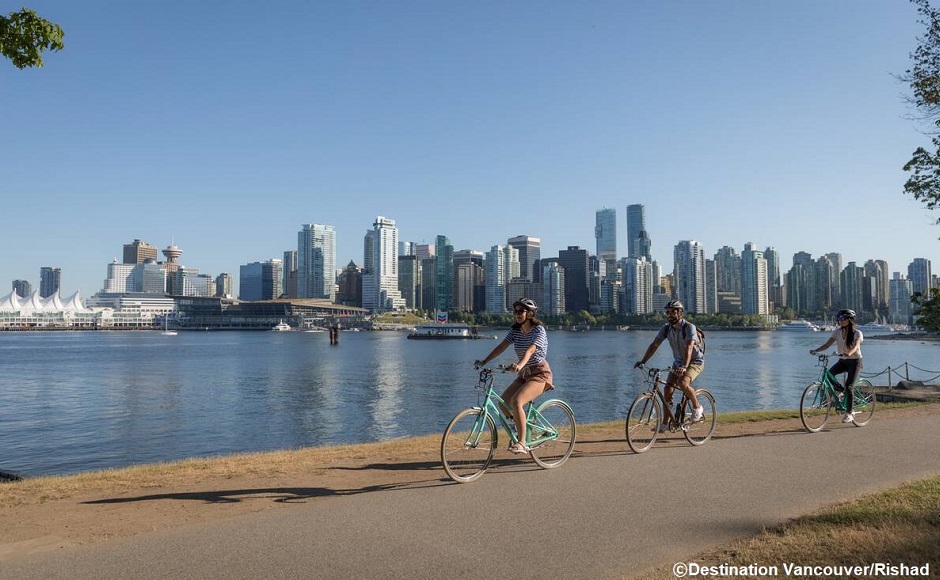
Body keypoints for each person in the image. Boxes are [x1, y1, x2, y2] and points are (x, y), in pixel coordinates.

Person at [474, 298, 554, 454]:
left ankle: (522, 442)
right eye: (515, 311)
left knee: (517, 401)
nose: (517, 314)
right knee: (503, 404)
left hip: (540, 374)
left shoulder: (539, 330)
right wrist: (484, 361)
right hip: (524, 374)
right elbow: (502, 346)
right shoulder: (515, 331)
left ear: (530, 313)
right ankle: (521, 425)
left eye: (521, 311)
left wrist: (519, 365)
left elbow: (530, 350)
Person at [634, 300, 705, 431]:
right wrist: (643, 361)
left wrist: (684, 365)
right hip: (678, 363)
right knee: (667, 390)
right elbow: (654, 345)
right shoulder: (666, 329)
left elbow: (689, 347)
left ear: (681, 313)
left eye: (673, 312)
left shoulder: (689, 327)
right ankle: (665, 423)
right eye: (667, 312)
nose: (670, 315)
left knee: (683, 382)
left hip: (694, 362)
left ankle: (697, 408)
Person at [810, 309, 864, 423]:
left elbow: (856, 346)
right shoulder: (837, 332)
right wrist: (816, 350)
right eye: (838, 318)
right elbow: (827, 344)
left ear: (849, 320)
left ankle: (849, 413)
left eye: (842, 318)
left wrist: (849, 353)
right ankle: (841, 390)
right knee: (829, 375)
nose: (840, 320)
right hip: (843, 361)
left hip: (855, 361)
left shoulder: (857, 333)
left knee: (849, 386)